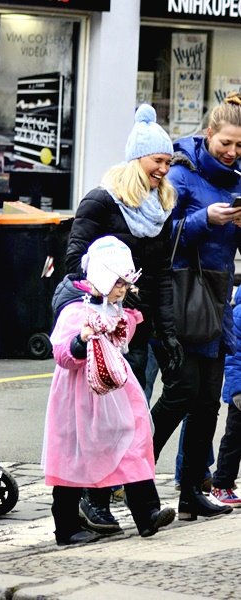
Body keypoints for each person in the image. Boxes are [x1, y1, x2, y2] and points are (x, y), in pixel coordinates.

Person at [63, 103, 183, 534]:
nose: (164, 171)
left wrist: (167, 334)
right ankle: (95, 502)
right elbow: (75, 262)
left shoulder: (160, 207)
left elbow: (163, 275)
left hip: (140, 322)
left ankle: (119, 503)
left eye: (168, 162)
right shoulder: (101, 201)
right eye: (158, 161)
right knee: (114, 420)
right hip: (103, 325)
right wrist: (115, 291)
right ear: (137, 160)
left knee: (139, 415)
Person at [44, 236, 175, 546]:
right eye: (118, 281)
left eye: (126, 282)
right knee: (74, 454)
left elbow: (123, 338)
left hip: (114, 389)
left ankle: (147, 513)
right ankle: (66, 525)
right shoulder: (76, 311)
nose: (123, 288)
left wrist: (121, 326)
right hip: (79, 395)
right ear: (102, 276)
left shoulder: (116, 307)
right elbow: (62, 354)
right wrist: (82, 340)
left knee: (132, 437)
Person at [149, 93, 241, 521]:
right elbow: (163, 239)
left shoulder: (238, 179)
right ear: (209, 135)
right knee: (179, 395)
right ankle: (130, 478)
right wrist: (209, 219)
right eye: (226, 143)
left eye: (240, 146)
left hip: (218, 300)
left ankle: (190, 492)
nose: (233, 152)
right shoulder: (182, 175)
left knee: (207, 403)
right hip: (184, 297)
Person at [210, 285, 241, 506]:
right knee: (234, 439)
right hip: (240, 392)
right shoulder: (239, 314)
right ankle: (221, 483)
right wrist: (237, 389)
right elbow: (234, 357)